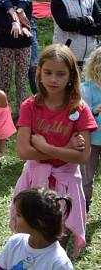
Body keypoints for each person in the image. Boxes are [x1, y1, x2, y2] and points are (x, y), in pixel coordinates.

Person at [11, 44, 96, 259]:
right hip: (34, 182)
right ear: (39, 72)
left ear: (70, 76)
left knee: (58, 240)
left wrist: (45, 147)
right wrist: (65, 150)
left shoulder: (79, 108)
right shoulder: (29, 106)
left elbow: (83, 155)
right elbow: (23, 151)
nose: (53, 79)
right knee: (30, 235)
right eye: (48, 72)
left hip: (65, 185)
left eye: (60, 74)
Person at [0, 187, 73, 270]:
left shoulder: (59, 263)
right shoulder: (15, 242)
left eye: (19, 215)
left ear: (39, 222)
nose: (14, 217)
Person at [0, 0, 34, 114]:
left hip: (24, 44)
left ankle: (22, 112)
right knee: (4, 79)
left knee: (21, 80)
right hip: (5, 44)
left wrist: (25, 27)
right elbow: (1, 21)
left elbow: (27, 20)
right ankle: (5, 112)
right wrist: (13, 23)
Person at [51, 0, 101, 65]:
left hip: (90, 57)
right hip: (66, 56)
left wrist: (84, 29)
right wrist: (88, 20)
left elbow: (99, 21)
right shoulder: (58, 0)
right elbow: (66, 25)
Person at [81, 47, 101, 212]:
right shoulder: (86, 88)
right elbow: (81, 119)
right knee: (86, 177)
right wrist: (95, 110)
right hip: (91, 140)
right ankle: (84, 204)